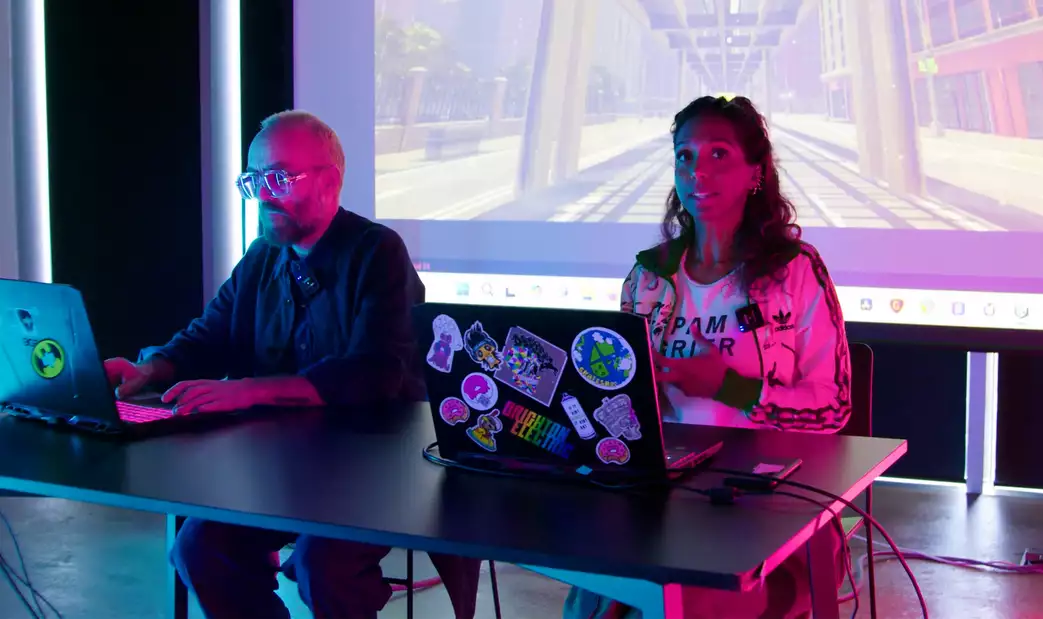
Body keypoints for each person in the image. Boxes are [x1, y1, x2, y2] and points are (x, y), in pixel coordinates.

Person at [102, 111, 481, 619]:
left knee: (323, 563)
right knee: (200, 549)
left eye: (279, 177)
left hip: (376, 467)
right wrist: (151, 369)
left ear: (330, 180)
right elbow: (210, 336)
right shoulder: (263, 256)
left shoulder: (377, 252)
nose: (264, 193)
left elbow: (376, 371)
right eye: (254, 180)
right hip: (283, 463)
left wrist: (251, 390)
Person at [564, 96, 852, 619]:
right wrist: (631, 395)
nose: (697, 170)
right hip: (661, 497)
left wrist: (727, 385)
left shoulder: (795, 270)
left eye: (718, 154)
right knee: (595, 590)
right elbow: (620, 409)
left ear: (755, 173)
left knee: (677, 603)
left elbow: (831, 408)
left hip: (772, 503)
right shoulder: (648, 277)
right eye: (684, 155)